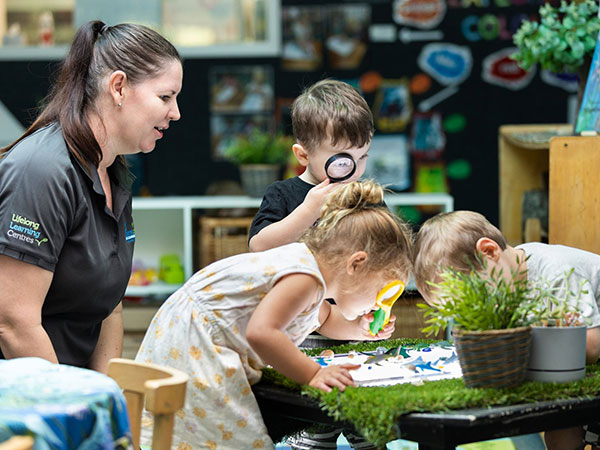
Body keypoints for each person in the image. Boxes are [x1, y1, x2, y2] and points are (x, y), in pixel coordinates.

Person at [135, 180, 413, 449]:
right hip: (198, 341)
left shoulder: (310, 277)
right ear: (357, 264)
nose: (380, 303)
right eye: (382, 290)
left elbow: (325, 318)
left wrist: (359, 330)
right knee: (231, 437)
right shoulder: (304, 277)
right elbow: (262, 332)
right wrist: (313, 373)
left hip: (191, 332)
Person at [0, 20, 182, 373]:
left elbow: (109, 306)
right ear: (118, 87)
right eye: (165, 97)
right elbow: (13, 323)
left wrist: (106, 393)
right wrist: (76, 409)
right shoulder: (42, 171)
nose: (176, 112)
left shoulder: (113, 172)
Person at [248, 78, 381, 449]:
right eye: (342, 160)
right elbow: (258, 246)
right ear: (303, 155)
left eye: (363, 156)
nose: (354, 169)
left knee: (368, 423)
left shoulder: (364, 196)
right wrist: (308, 211)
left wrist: (376, 308)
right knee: (314, 426)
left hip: (353, 326)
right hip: (302, 334)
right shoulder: (285, 195)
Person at [412, 210, 600, 450]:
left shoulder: (555, 273)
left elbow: (590, 346)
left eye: (474, 299)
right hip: (564, 380)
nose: (474, 313)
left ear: (489, 252)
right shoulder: (509, 278)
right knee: (557, 437)